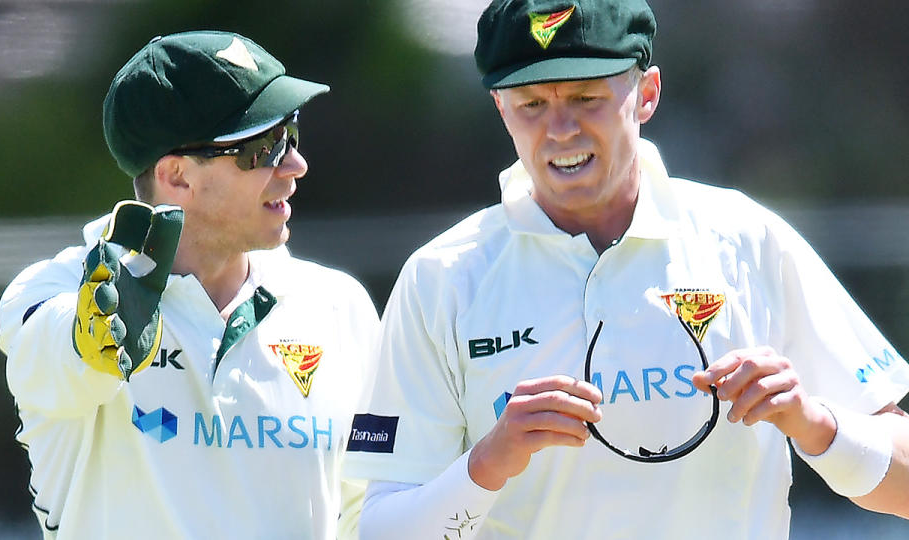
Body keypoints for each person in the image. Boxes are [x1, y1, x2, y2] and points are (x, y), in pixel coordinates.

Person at [343, 1, 909, 538]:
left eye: (587, 98)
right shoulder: (442, 277)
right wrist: (489, 462)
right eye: (532, 104)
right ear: (500, 108)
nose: (560, 129)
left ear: (647, 93)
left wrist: (816, 424)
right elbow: (380, 528)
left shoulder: (744, 239)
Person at [0, 30, 378, 539]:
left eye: (292, 134)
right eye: (262, 148)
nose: (295, 165)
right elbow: (55, 356)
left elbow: (376, 499)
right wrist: (94, 338)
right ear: (176, 177)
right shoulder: (57, 288)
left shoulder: (341, 307)